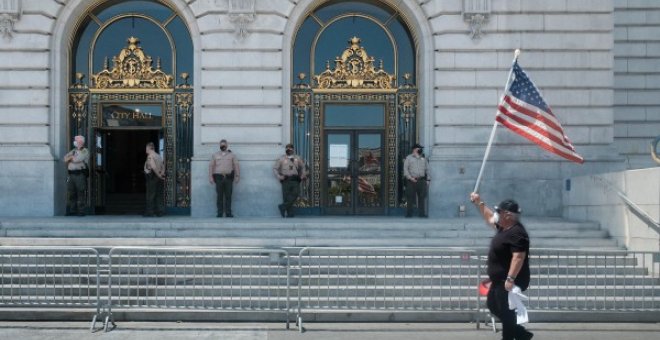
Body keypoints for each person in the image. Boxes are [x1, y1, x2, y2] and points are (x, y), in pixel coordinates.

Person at [470, 192, 533, 340]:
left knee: (505, 311)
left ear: (507, 215)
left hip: (508, 281)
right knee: (492, 305)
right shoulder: (504, 228)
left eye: (499, 212)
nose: (496, 214)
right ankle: (521, 333)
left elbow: (518, 257)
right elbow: (489, 218)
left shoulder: (517, 232)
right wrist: (479, 202)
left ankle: (512, 336)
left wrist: (510, 279)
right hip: (499, 280)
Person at [209, 139, 240, 217]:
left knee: (228, 196)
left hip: (228, 178)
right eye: (221, 145)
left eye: (224, 145)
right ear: (219, 145)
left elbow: (236, 165)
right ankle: (219, 213)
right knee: (219, 196)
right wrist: (210, 177)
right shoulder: (215, 155)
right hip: (218, 178)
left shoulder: (232, 155)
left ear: (227, 145)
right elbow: (211, 166)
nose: (223, 146)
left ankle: (228, 213)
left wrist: (237, 176)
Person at [273, 143, 306, 218]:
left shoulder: (297, 158)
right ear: (285, 150)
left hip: (295, 179)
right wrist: (279, 176)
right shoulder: (281, 159)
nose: (289, 150)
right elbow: (275, 168)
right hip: (286, 179)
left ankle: (282, 207)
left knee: (296, 193)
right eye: (287, 149)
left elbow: (303, 167)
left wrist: (302, 175)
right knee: (286, 196)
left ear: (293, 150)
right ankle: (289, 213)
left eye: (290, 149)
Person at [63, 135, 89, 216]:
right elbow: (65, 159)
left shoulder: (84, 151)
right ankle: (72, 210)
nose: (74, 141)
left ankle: (81, 211)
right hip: (71, 175)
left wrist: (71, 158)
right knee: (72, 193)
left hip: (79, 174)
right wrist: (72, 157)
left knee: (80, 193)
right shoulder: (73, 150)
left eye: (76, 140)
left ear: (80, 142)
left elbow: (77, 159)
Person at [403, 143, 431, 217]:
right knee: (410, 198)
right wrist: (410, 178)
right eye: (419, 148)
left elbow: (427, 169)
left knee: (422, 197)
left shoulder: (423, 158)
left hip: (421, 180)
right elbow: (405, 170)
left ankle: (421, 214)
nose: (421, 150)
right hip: (411, 181)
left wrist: (428, 180)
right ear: (415, 149)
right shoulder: (408, 158)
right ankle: (409, 214)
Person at [143, 142, 166, 217]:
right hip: (159, 178)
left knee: (150, 195)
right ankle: (160, 212)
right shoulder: (158, 156)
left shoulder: (150, 156)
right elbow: (163, 166)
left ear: (149, 148)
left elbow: (153, 167)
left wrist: (158, 175)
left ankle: (150, 212)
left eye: (146, 148)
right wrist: (162, 174)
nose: (145, 150)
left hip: (153, 177)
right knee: (159, 195)